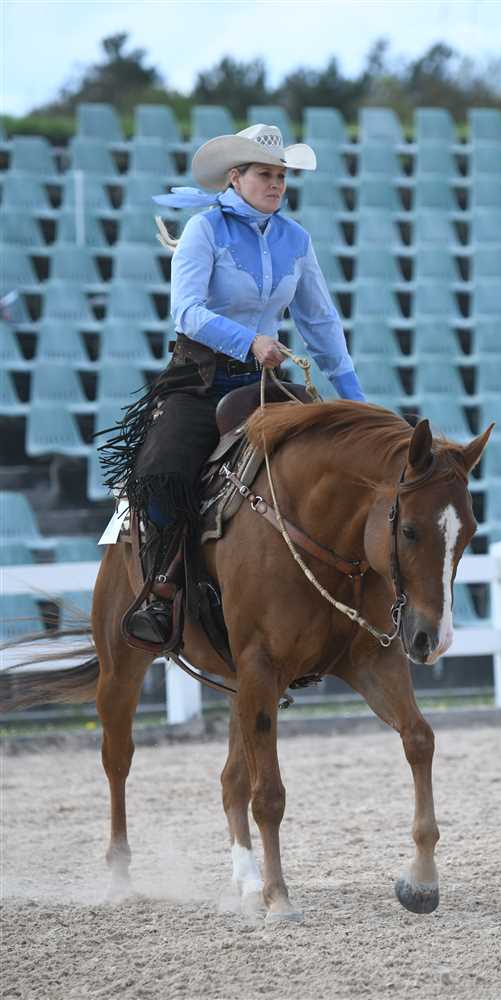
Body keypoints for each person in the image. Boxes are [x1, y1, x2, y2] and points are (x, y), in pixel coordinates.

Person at [99, 124, 366, 649]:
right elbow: (186, 312)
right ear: (235, 178)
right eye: (265, 174)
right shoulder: (204, 230)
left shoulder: (296, 239)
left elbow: (320, 321)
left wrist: (354, 400)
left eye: (282, 176)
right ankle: (161, 592)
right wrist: (250, 341)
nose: (276, 184)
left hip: (264, 384)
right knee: (162, 472)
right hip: (200, 381)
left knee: (325, 467)